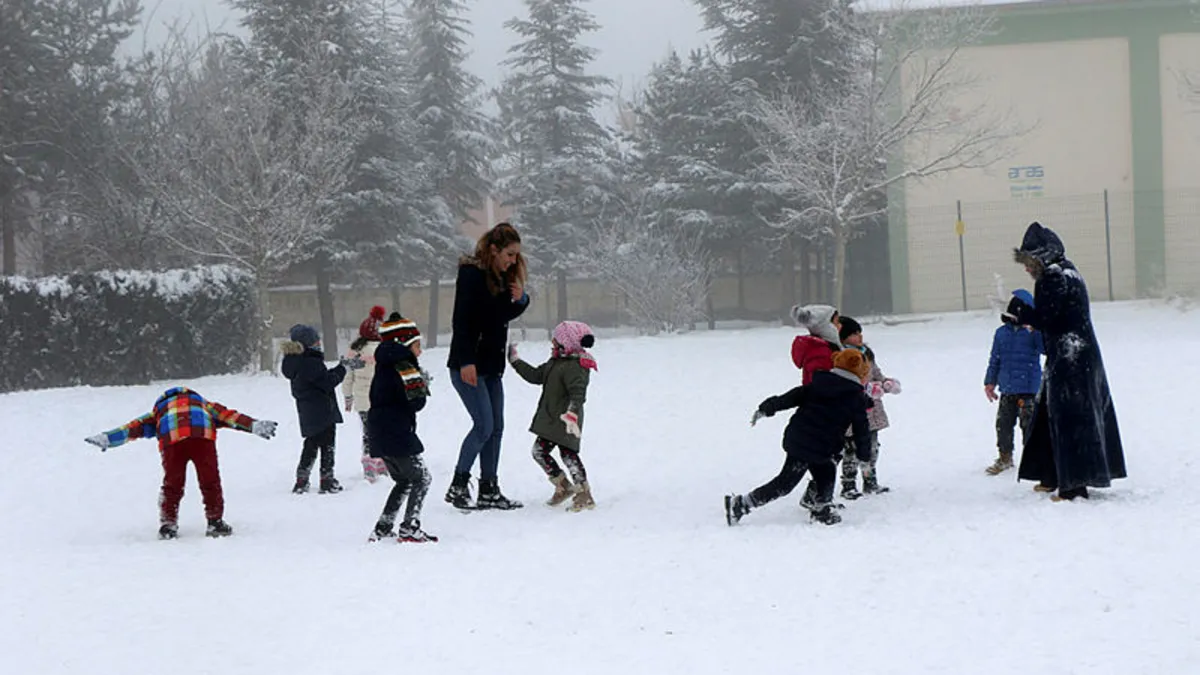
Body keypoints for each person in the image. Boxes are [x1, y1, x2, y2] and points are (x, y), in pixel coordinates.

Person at [1010, 221, 1126, 501]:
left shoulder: (1052, 276)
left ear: (1041, 256)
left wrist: (1021, 313)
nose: (1026, 268)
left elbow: (1047, 319)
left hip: (1069, 358)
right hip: (1080, 354)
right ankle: (1051, 474)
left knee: (1069, 418)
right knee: (1052, 414)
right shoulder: (1070, 271)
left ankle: (1072, 485)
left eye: (1029, 261)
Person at [84, 387, 278, 539]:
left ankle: (168, 525)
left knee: (172, 484)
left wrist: (108, 438)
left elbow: (132, 428)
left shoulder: (160, 410)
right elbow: (230, 417)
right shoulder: (203, 404)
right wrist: (254, 425)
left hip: (172, 441)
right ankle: (215, 522)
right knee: (210, 480)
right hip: (202, 438)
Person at [724, 349, 873, 527]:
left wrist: (767, 407)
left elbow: (791, 397)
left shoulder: (818, 384)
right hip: (814, 445)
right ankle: (741, 504)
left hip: (801, 439)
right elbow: (861, 430)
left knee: (826, 472)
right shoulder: (855, 398)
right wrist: (864, 455)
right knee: (786, 482)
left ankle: (821, 508)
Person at [445, 222, 531, 510]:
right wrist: (466, 360)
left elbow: (498, 315)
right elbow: (463, 321)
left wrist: (522, 300)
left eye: (516, 256)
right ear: (493, 250)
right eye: (509, 254)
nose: (513, 261)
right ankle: (458, 485)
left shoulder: (502, 278)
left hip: (492, 366)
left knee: (496, 428)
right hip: (467, 365)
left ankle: (489, 489)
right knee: (483, 425)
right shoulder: (471, 275)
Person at [508, 320, 598, 512]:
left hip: (567, 421)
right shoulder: (556, 362)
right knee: (539, 452)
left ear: (566, 342)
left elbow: (578, 394)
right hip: (551, 420)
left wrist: (572, 414)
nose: (552, 343)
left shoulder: (577, 365)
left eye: (556, 340)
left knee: (569, 455)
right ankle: (564, 486)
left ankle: (585, 494)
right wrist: (516, 361)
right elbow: (535, 376)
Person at [367, 313, 437, 543]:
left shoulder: (384, 365)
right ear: (405, 344)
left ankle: (384, 526)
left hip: (379, 431)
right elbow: (416, 403)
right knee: (422, 478)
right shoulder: (404, 365)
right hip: (396, 431)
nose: (420, 351)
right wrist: (422, 385)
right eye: (417, 345)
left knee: (404, 480)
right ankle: (410, 526)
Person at [282, 324, 363, 495]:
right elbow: (327, 382)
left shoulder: (296, 361)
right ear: (306, 344)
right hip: (322, 411)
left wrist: (339, 368)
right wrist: (343, 368)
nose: (318, 344)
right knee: (327, 445)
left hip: (308, 411)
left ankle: (302, 480)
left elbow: (321, 379)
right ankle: (327, 480)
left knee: (311, 444)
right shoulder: (310, 362)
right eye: (315, 341)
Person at [836, 317, 901, 499]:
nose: (859, 336)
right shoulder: (843, 357)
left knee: (872, 446)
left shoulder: (866, 353)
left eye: (859, 333)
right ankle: (848, 484)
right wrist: (866, 388)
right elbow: (846, 382)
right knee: (851, 449)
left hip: (872, 409)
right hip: (852, 410)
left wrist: (885, 383)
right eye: (854, 334)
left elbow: (876, 374)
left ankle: (870, 480)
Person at [983, 290, 1043, 475]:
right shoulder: (1001, 333)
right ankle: (1005, 457)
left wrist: (1038, 330)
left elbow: (1045, 349)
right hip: (1007, 389)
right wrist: (990, 382)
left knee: (1029, 426)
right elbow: (995, 359)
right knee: (1003, 424)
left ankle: (1034, 459)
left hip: (1028, 389)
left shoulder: (1033, 333)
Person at [344, 305, 389, 482]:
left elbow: (347, 377)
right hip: (382, 399)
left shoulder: (355, 352)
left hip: (362, 401)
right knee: (382, 432)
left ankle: (369, 466)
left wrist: (348, 398)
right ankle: (383, 463)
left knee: (368, 433)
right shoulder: (385, 350)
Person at [790, 304, 842, 385]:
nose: (840, 326)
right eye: (837, 322)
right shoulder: (820, 353)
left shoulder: (828, 347)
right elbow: (822, 386)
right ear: (826, 326)